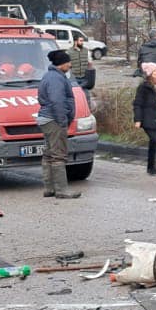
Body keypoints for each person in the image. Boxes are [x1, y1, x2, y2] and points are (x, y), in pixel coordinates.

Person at [36, 49, 81, 199]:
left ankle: (49, 188)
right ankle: (62, 190)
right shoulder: (56, 78)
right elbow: (57, 101)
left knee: (49, 153)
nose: (70, 65)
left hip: (47, 119)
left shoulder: (51, 76)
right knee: (58, 155)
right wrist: (63, 121)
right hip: (54, 120)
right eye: (68, 62)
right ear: (62, 63)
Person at [67, 35, 96, 104]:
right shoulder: (69, 52)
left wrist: (90, 75)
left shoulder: (87, 51)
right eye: (80, 41)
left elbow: (90, 64)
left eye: (82, 41)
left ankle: (87, 111)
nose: (82, 42)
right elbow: (66, 65)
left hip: (84, 79)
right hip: (73, 79)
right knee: (74, 97)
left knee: (86, 97)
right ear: (75, 41)